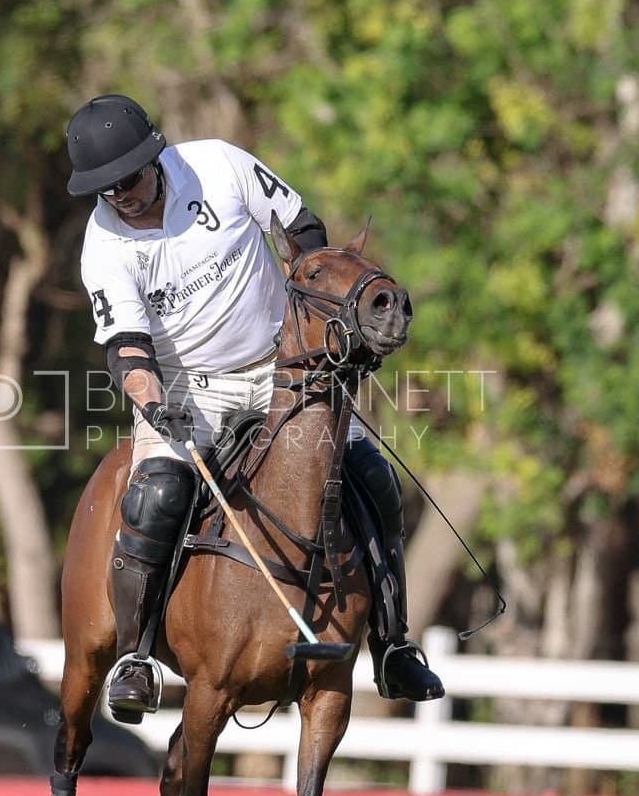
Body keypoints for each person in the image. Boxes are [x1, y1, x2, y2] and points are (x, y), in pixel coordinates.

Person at [67, 93, 444, 720]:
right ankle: (135, 657)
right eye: (105, 190)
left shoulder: (218, 167)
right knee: (157, 494)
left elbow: (303, 231)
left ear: (154, 158)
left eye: (128, 179)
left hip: (284, 367)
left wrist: (319, 323)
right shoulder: (104, 245)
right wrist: (154, 403)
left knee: (374, 477)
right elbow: (128, 349)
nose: (121, 196)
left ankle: (392, 645)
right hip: (188, 387)